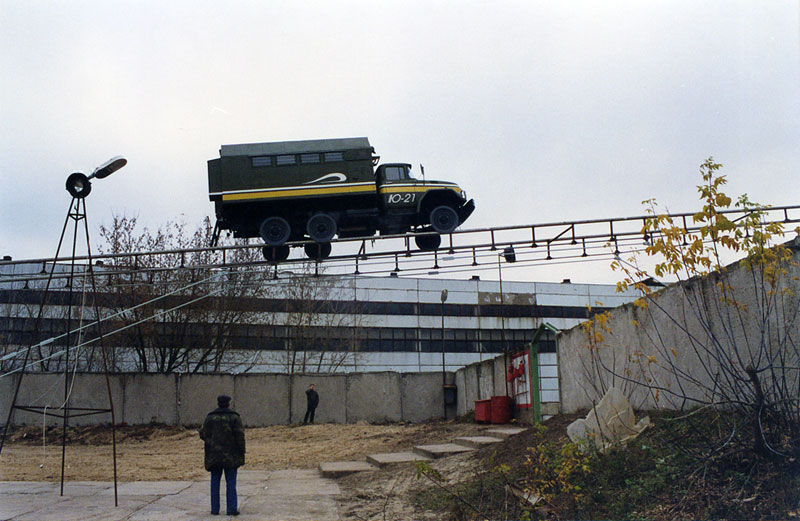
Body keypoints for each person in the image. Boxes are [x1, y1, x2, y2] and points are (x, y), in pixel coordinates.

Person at [199, 395, 245, 516]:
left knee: (214, 482)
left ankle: (215, 509)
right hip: (231, 456)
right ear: (228, 403)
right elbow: (240, 437)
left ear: (218, 403)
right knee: (231, 482)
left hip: (214, 456)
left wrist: (212, 443)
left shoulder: (210, 417)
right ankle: (231, 509)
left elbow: (203, 434)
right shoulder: (234, 417)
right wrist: (242, 453)